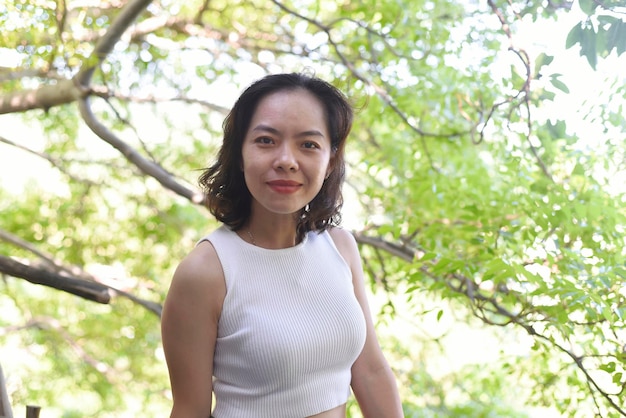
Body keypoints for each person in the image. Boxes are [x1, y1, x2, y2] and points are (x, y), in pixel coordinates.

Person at [161, 72, 404, 418]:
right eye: (266, 140)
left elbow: (370, 371)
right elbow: (190, 410)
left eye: (308, 144)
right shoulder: (205, 272)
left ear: (330, 160)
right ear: (240, 153)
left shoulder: (340, 247)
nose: (286, 161)